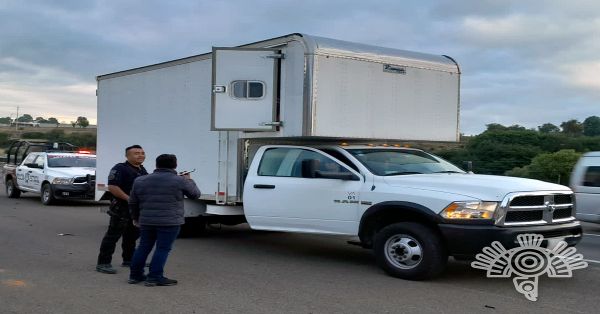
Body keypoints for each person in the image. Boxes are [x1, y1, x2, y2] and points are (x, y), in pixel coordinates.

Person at [128, 154, 201, 286]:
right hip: (170, 221)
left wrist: (135, 217)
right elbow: (195, 195)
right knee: (162, 249)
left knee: (143, 247)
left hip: (146, 220)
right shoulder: (180, 180)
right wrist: (189, 180)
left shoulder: (140, 180)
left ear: (156, 165)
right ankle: (155, 277)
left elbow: (133, 202)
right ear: (175, 165)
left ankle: (135, 276)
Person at [96, 145, 148, 274]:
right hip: (122, 208)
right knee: (112, 236)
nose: (140, 155)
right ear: (127, 156)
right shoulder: (120, 168)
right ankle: (103, 263)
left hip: (136, 210)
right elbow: (113, 187)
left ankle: (129, 259)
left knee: (132, 236)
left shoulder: (142, 169)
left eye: (142, 153)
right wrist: (129, 199)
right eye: (136, 153)